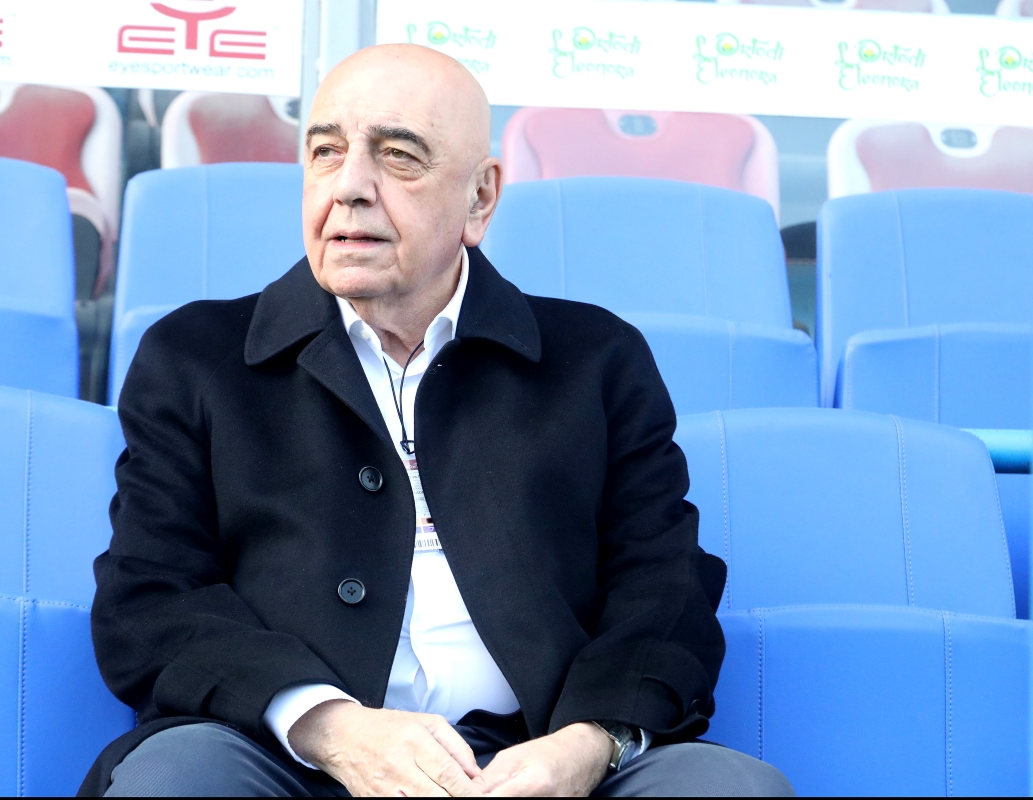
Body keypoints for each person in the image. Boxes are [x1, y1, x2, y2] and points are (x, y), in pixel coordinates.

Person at [81, 44, 794, 797]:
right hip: (292, 760)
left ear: (480, 199)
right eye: (326, 151)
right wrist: (330, 726)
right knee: (175, 780)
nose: (350, 186)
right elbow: (150, 600)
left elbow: (666, 593)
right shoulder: (197, 358)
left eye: (398, 156)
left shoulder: (596, 360)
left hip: (539, 764)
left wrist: (586, 747)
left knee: (729, 788)